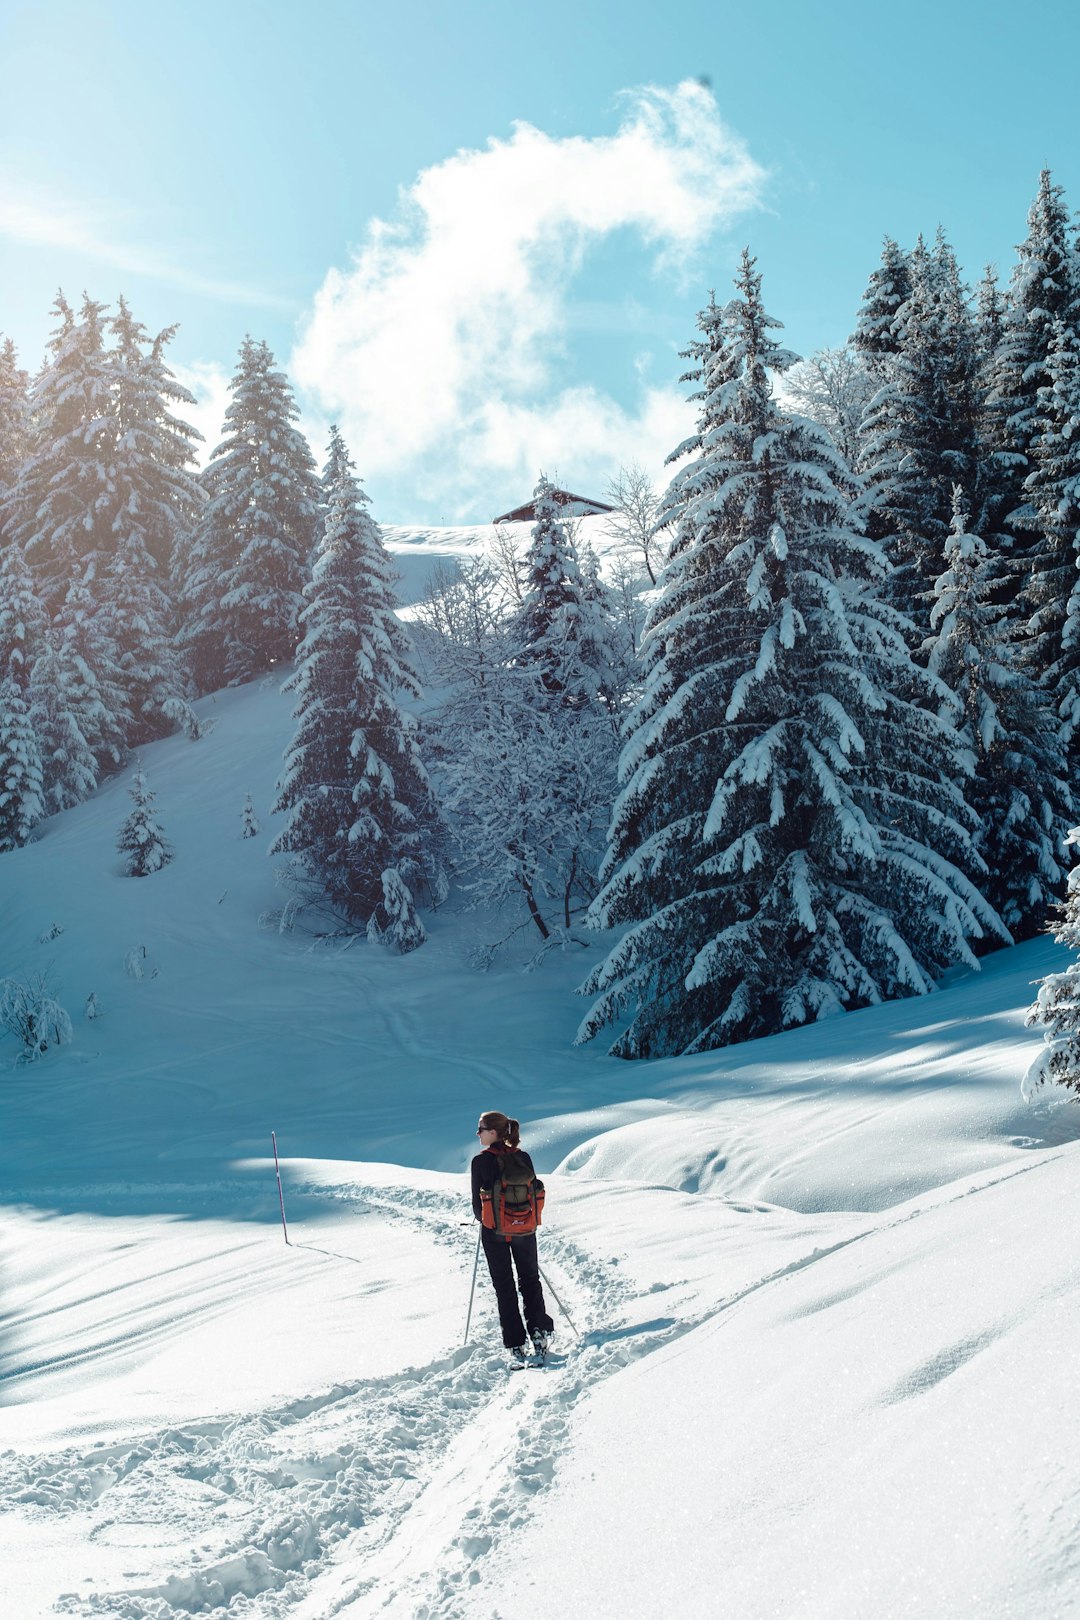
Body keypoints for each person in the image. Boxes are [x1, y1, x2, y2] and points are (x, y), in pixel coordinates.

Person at [471, 1110, 555, 1364]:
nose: (478, 1134)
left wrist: (486, 1218)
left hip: (494, 1232)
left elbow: (478, 1206)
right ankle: (539, 1332)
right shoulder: (524, 1157)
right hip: (525, 1229)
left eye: (481, 1129)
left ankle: (516, 1343)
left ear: (493, 1132)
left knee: (504, 1286)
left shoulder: (480, 1161)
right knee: (530, 1279)